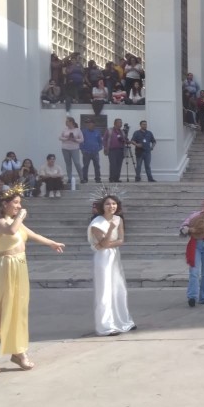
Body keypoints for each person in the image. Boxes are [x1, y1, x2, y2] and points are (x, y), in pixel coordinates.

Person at [0, 185, 65, 375]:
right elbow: (11, 231)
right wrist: (21, 216)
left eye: (20, 203)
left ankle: (18, 352)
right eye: (15, 203)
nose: (19, 206)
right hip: (4, 267)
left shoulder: (13, 221)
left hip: (19, 266)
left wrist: (52, 243)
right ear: (5, 204)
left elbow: (32, 235)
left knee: (18, 309)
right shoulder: (0, 222)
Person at [89, 194, 135, 336]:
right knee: (105, 290)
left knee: (118, 288)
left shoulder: (118, 219)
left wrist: (108, 243)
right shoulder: (96, 223)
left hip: (114, 255)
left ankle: (123, 321)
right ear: (102, 207)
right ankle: (106, 326)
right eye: (108, 204)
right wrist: (109, 230)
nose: (111, 206)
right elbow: (102, 244)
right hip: (103, 258)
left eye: (114, 203)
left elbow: (120, 240)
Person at [59, 116, 84, 186]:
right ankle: (69, 178)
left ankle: (81, 178)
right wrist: (66, 138)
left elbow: (82, 139)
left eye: (67, 121)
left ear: (71, 122)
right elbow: (60, 137)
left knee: (77, 163)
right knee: (68, 164)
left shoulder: (77, 130)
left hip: (74, 148)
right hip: (65, 148)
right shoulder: (64, 129)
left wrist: (75, 140)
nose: (66, 122)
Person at [80, 118, 103, 183]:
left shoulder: (97, 132)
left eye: (91, 123)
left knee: (97, 166)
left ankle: (97, 179)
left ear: (94, 124)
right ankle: (85, 179)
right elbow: (81, 141)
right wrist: (82, 149)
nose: (89, 125)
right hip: (86, 152)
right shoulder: (84, 132)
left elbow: (100, 142)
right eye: (88, 124)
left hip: (95, 152)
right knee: (85, 166)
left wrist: (99, 148)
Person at [103, 118, 126, 183]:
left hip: (120, 150)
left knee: (119, 165)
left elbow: (125, 140)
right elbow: (104, 139)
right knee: (113, 164)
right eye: (119, 122)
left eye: (121, 122)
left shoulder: (122, 131)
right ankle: (112, 178)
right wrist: (105, 147)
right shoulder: (109, 130)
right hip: (112, 150)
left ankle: (117, 178)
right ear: (115, 123)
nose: (121, 124)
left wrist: (124, 140)